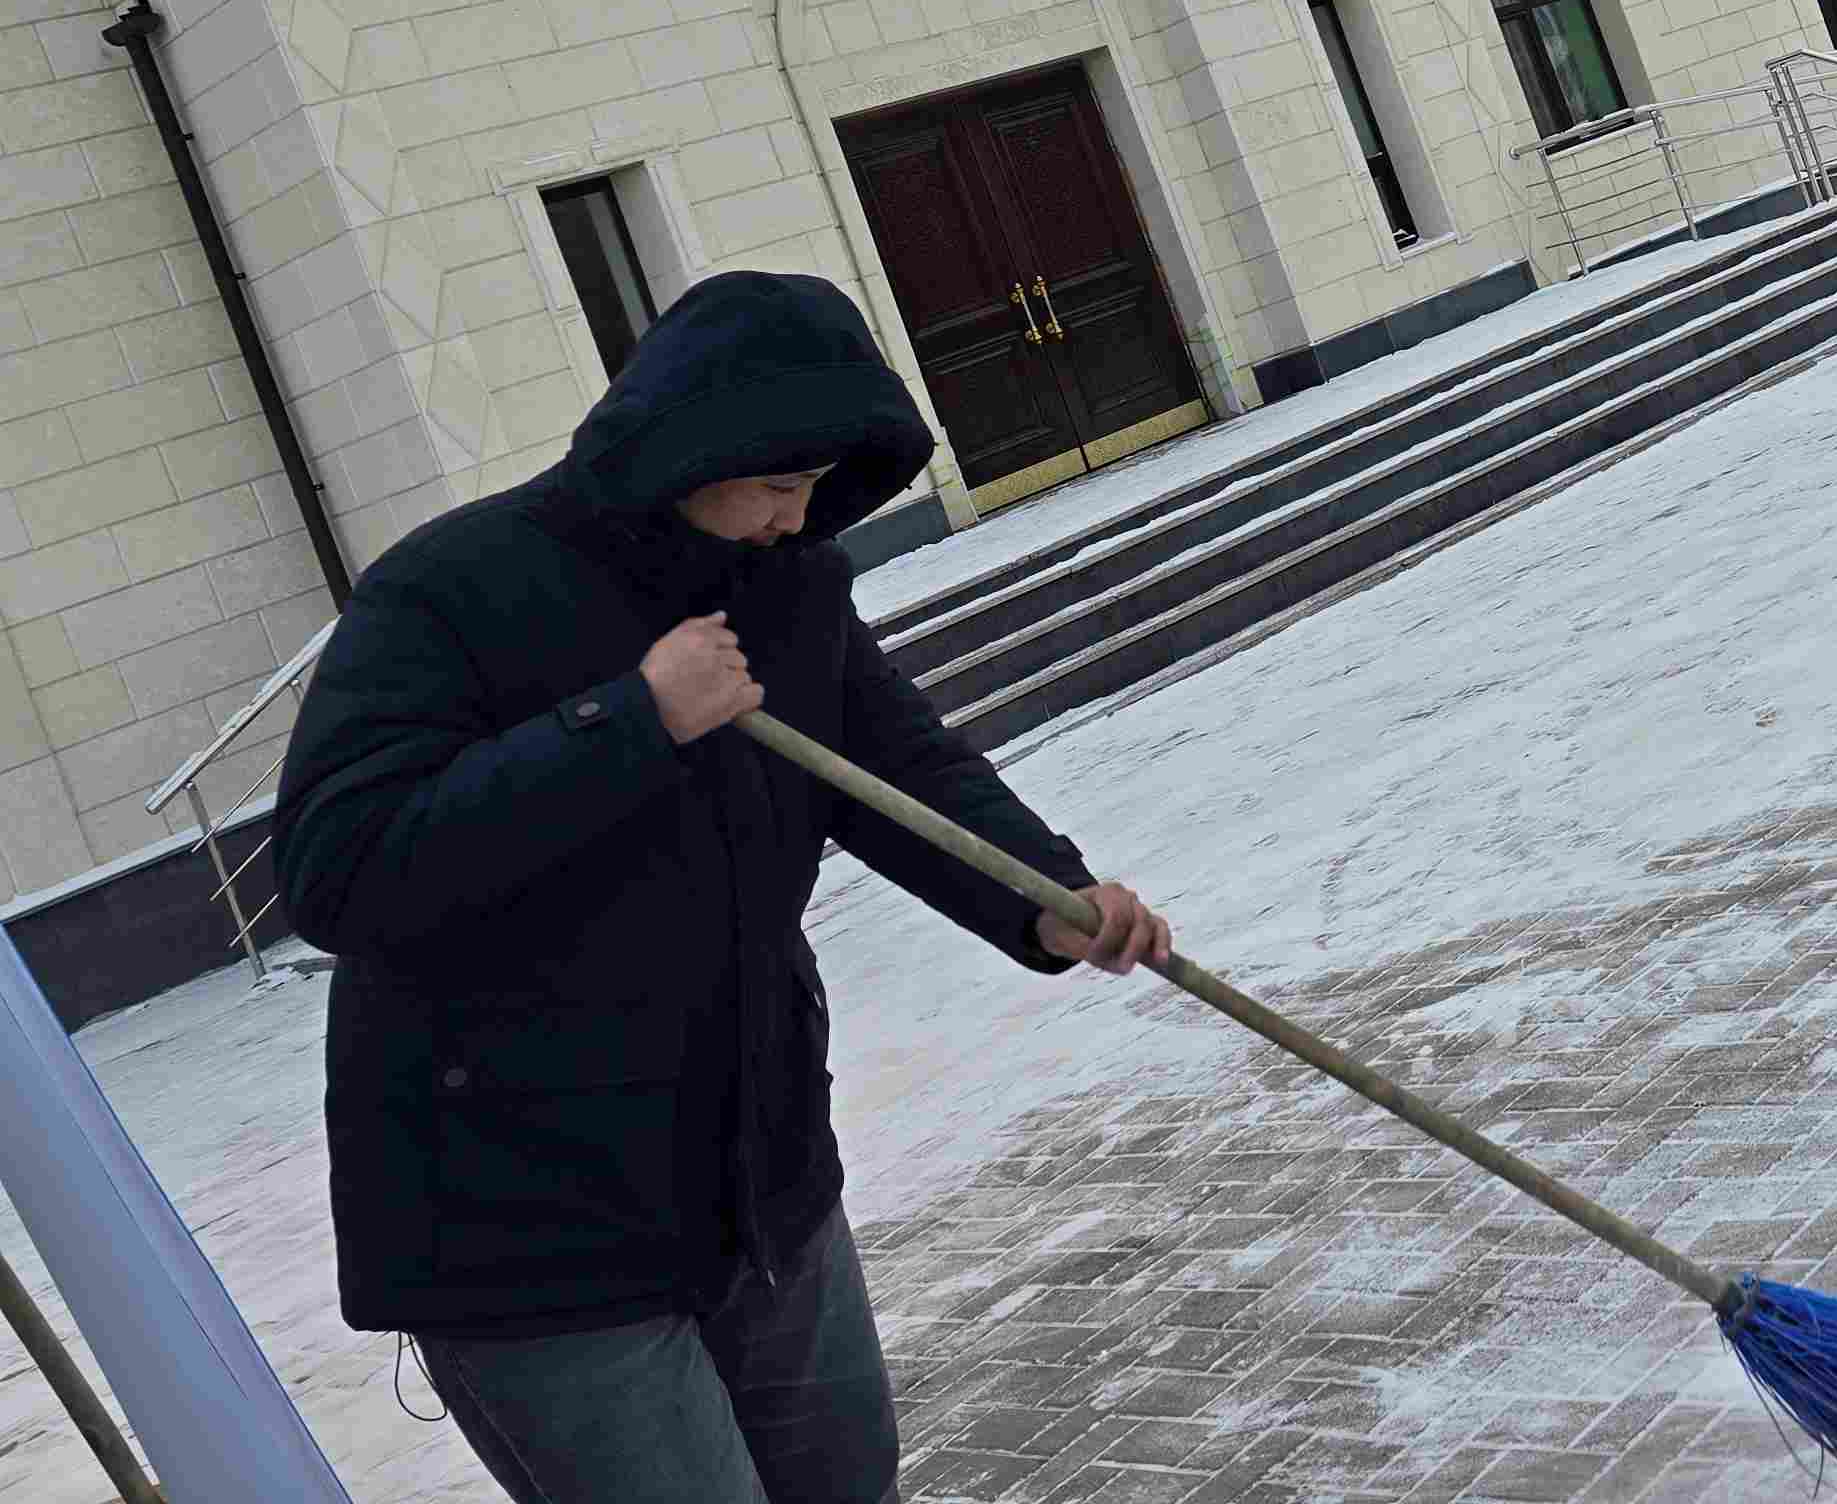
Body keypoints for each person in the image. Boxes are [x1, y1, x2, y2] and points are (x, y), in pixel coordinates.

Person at [271, 271, 1175, 1504]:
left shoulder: (788, 589)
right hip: (528, 1234)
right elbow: (341, 869)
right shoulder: (451, 592)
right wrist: (632, 717)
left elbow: (894, 763)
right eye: (777, 486)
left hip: (761, 1180)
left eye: (816, 493)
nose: (794, 521)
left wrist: (1044, 896)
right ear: (694, 445)